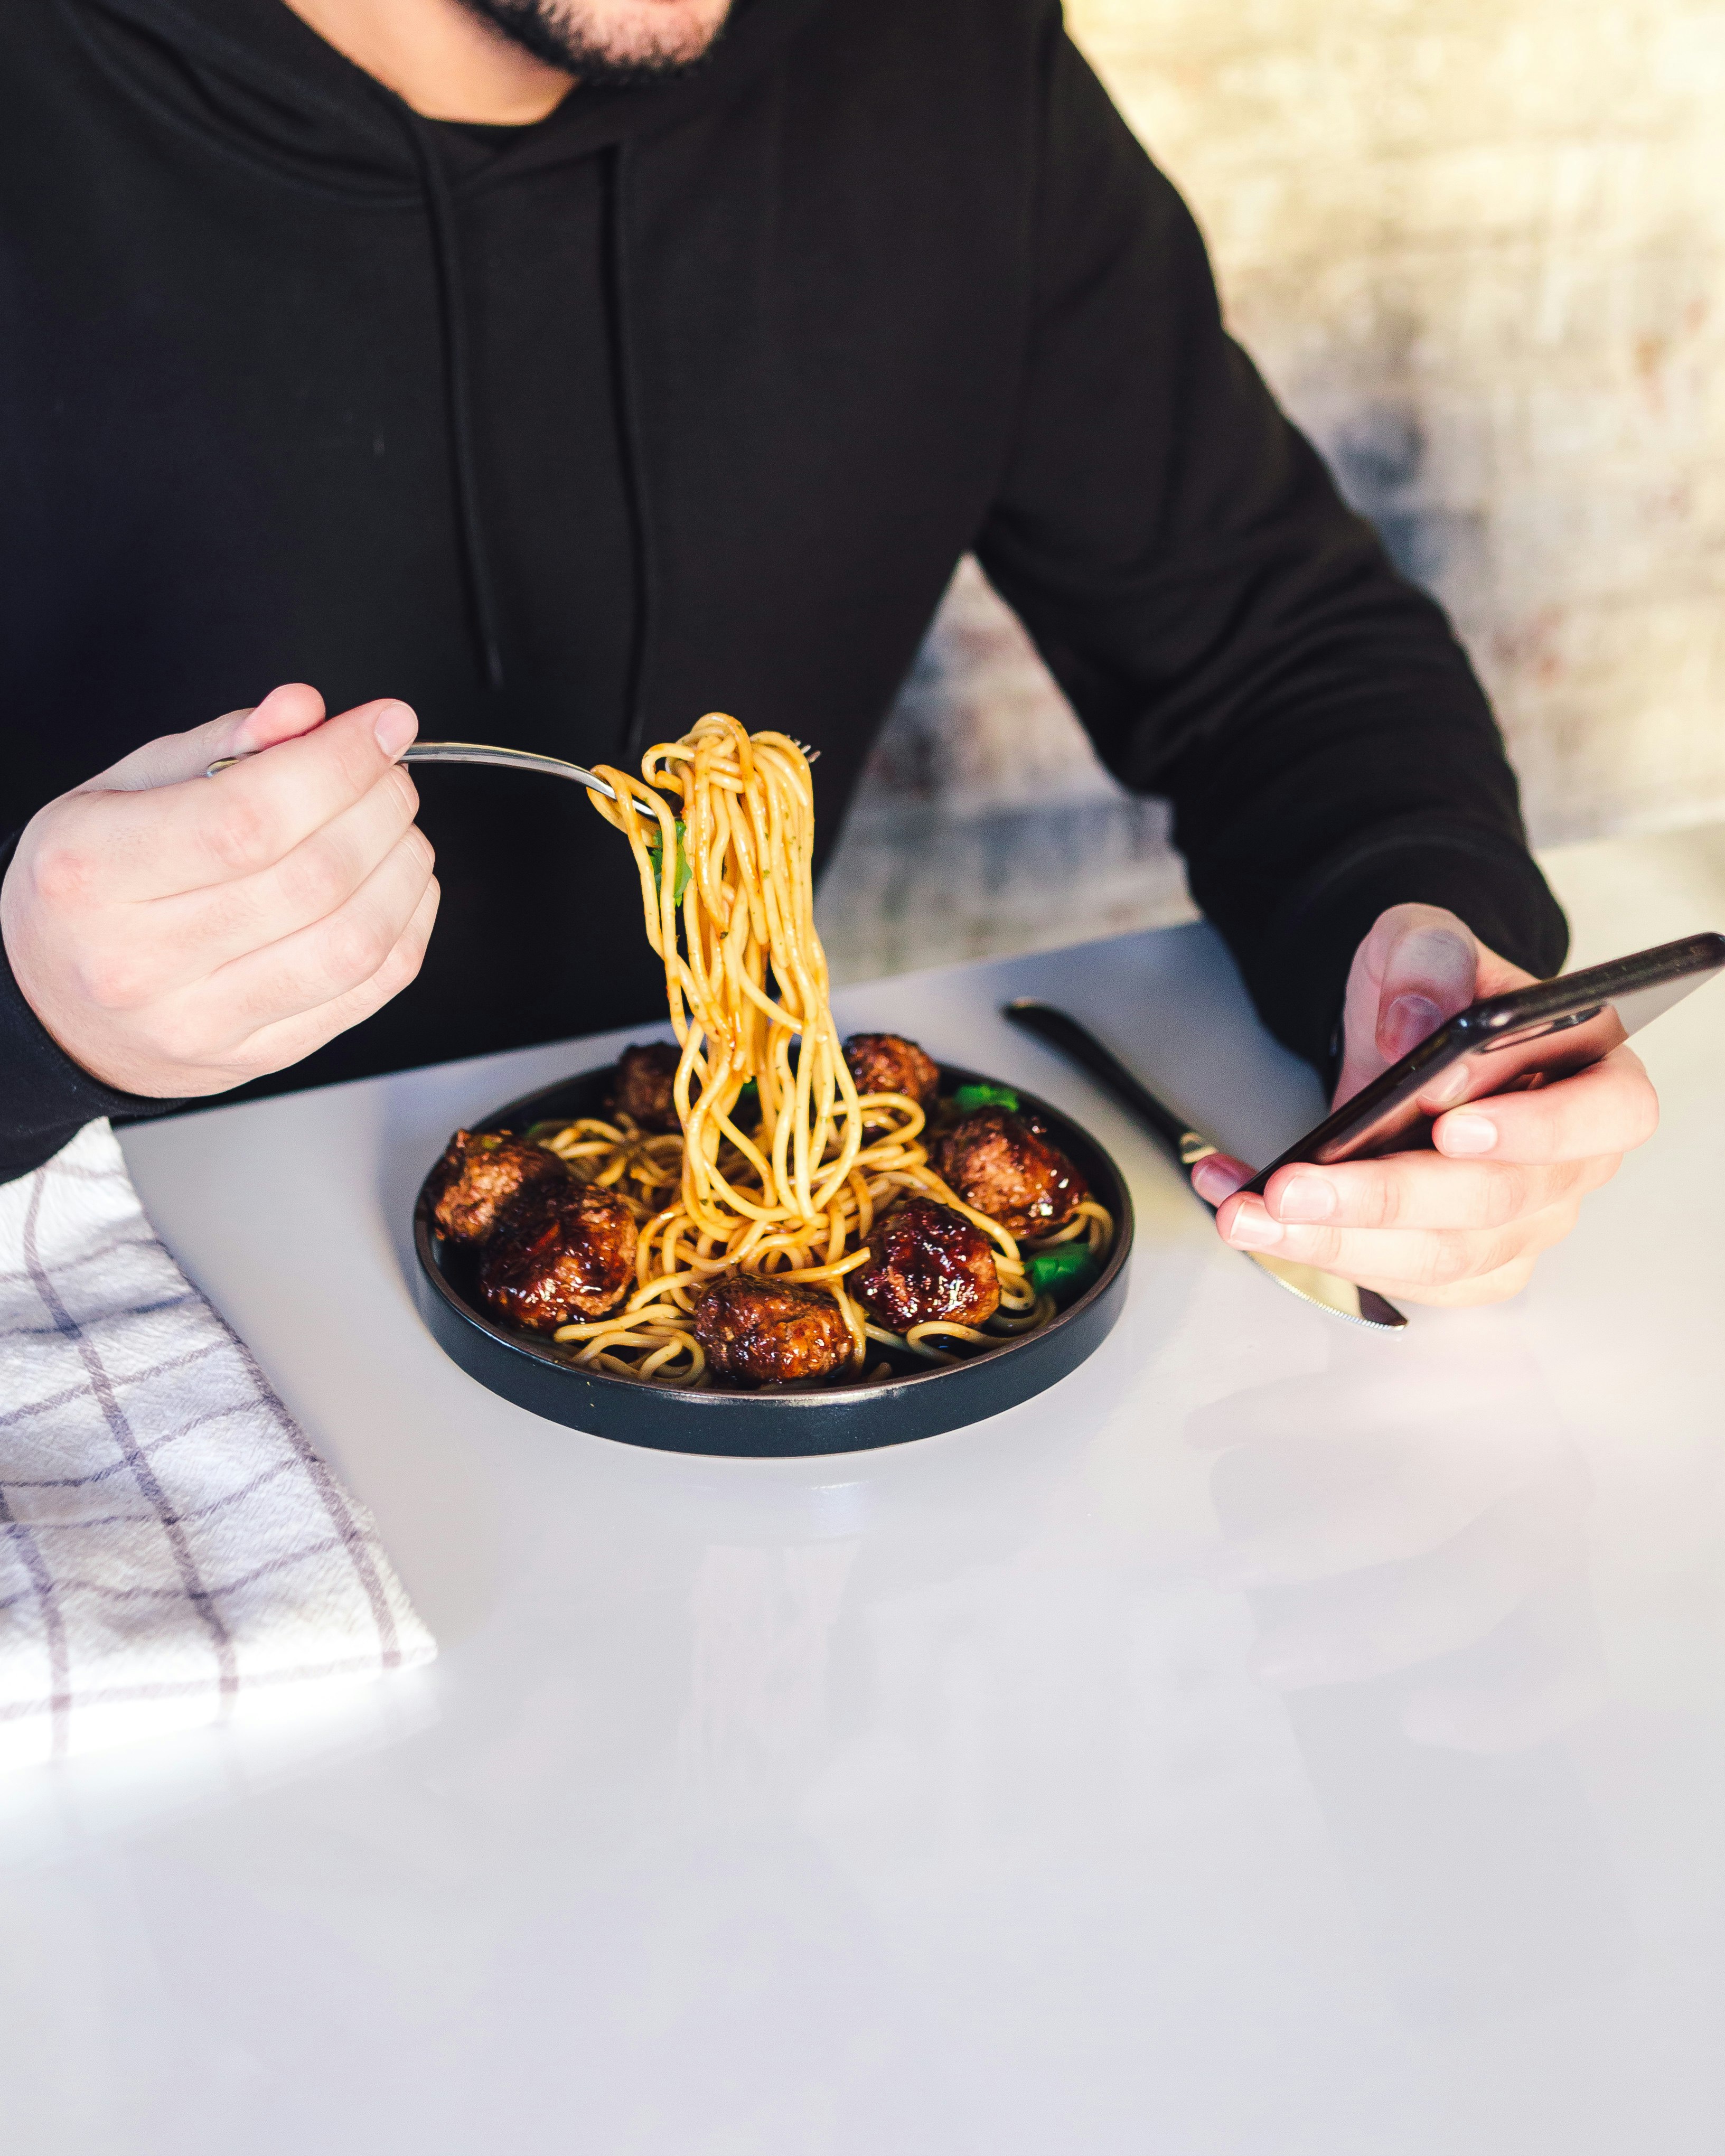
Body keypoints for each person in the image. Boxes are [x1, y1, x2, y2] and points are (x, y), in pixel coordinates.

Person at [0, 0, 1655, 1302]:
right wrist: (26, 1003)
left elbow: (1274, 650)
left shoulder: (935, 57)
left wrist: (1423, 955)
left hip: (754, 1452)